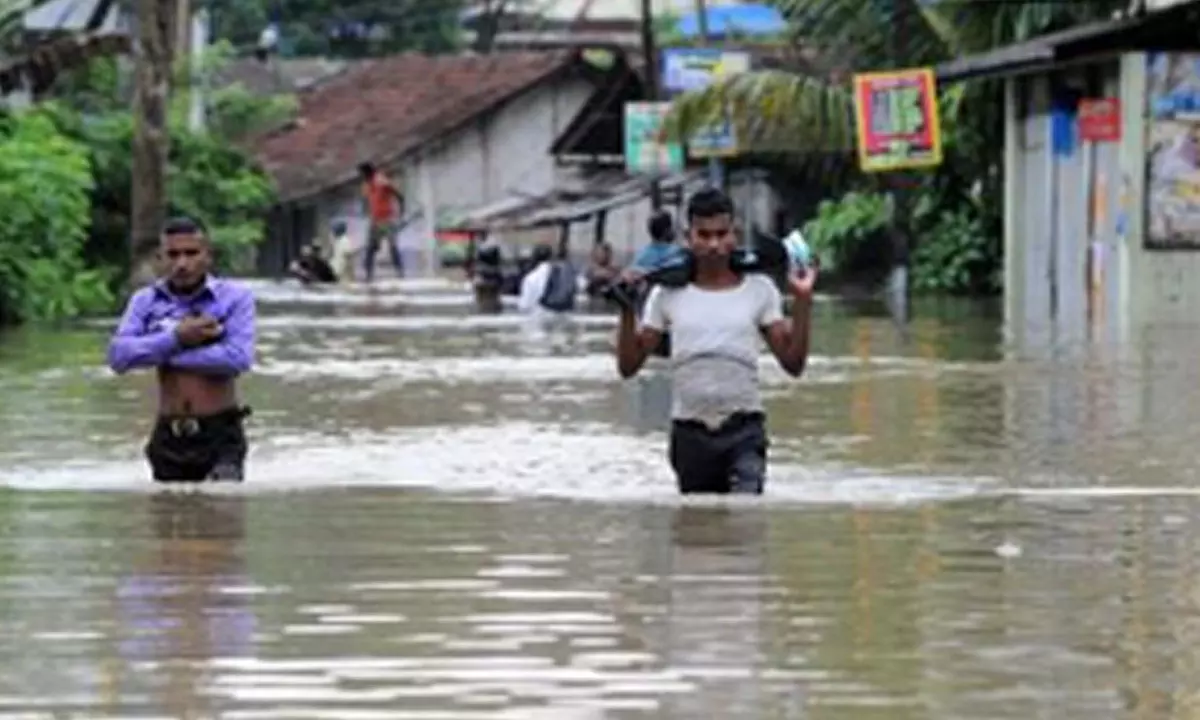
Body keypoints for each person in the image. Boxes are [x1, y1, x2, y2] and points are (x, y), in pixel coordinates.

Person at [614, 188, 816, 495]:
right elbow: (629, 367)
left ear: (734, 234)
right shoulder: (666, 294)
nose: (714, 245)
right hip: (690, 433)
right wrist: (627, 311)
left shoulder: (760, 289)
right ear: (688, 236)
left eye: (722, 234)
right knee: (698, 530)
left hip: (744, 431)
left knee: (744, 515)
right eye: (704, 235)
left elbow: (794, 364)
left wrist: (802, 300)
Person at [106, 217, 257, 483]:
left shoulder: (235, 297)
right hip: (168, 436)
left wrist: (164, 352)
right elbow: (119, 357)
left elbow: (238, 358)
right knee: (167, 518)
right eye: (173, 254)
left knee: (221, 516)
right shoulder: (145, 301)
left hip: (220, 435)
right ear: (160, 258)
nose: (182, 263)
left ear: (208, 256)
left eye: (191, 253)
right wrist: (176, 338)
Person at [358, 162, 405, 282]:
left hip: (387, 219)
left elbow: (398, 194)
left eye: (363, 174)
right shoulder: (367, 185)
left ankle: (400, 272)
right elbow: (367, 200)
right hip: (375, 220)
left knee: (392, 246)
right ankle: (368, 274)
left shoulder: (381, 181)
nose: (362, 177)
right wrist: (367, 211)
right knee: (370, 247)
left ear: (368, 173)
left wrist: (401, 211)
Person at [517, 243, 577, 317]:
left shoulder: (531, 277)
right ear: (551, 257)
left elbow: (524, 306)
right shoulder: (562, 274)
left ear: (534, 258)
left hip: (538, 319)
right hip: (563, 317)